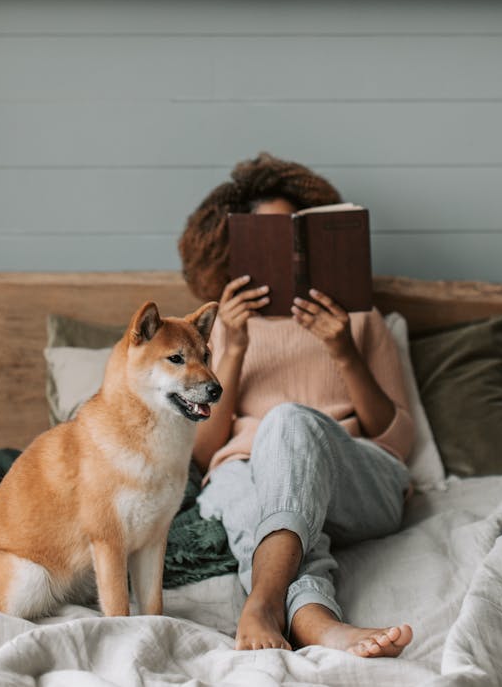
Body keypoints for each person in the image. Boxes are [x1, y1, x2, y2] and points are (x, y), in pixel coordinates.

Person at [178, 153, 415, 659]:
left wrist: (344, 350)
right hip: (246, 471)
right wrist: (234, 346)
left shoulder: (360, 317)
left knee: (285, 421)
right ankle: (320, 624)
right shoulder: (220, 330)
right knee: (247, 494)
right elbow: (203, 453)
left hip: (355, 479)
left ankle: (263, 601)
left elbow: (396, 439)